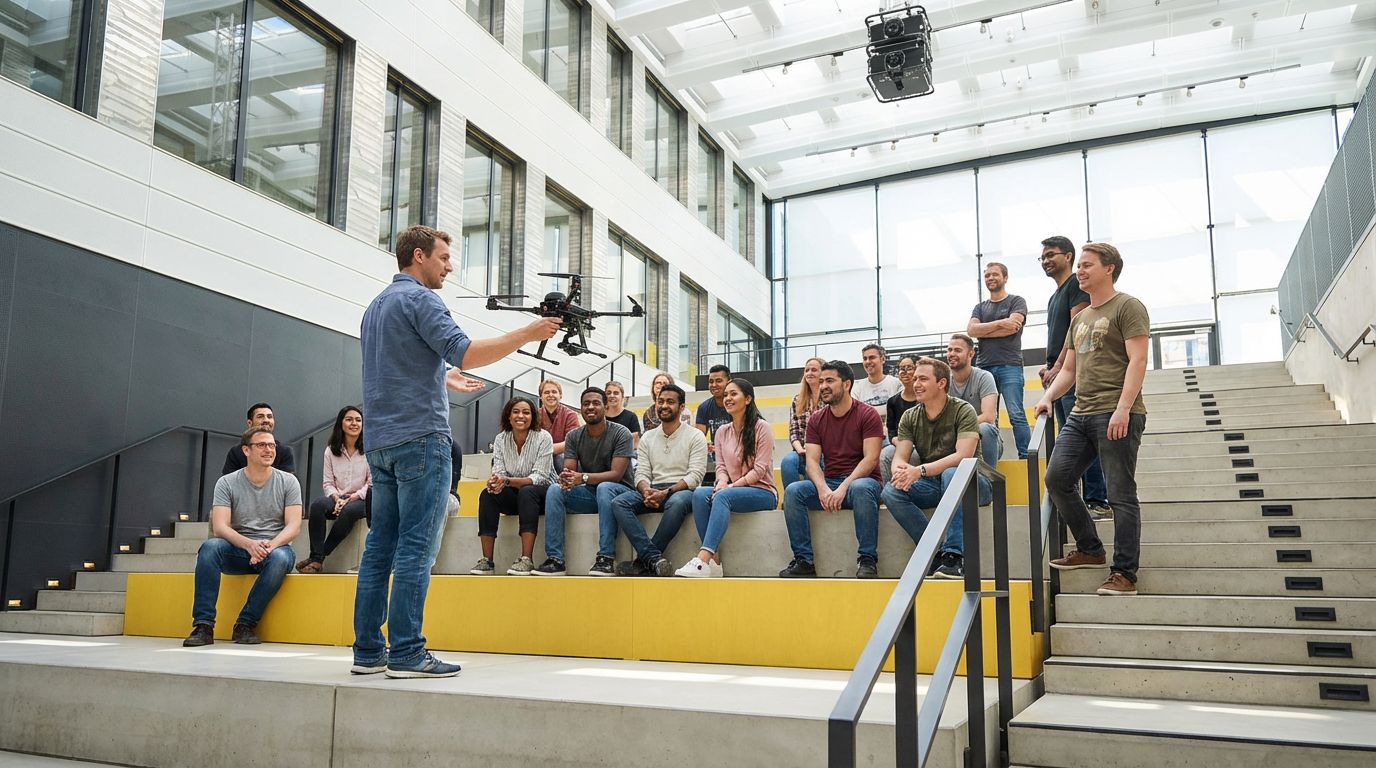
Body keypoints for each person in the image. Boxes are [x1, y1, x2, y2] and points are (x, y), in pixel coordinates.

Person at [354, 224, 560, 679]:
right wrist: (527, 333)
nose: (450, 266)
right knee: (414, 548)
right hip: (421, 438)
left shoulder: (375, 307)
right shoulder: (422, 299)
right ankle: (407, 653)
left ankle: (368, 652)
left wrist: (437, 377)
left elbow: (397, 363)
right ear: (420, 256)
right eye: (445, 257)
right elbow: (464, 352)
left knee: (379, 548)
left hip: (381, 442)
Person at [1035, 243, 1149, 597]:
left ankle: (1125, 574)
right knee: (1056, 479)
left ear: (1109, 268)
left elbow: (1139, 360)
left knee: (1120, 495)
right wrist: (1047, 397)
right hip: (1081, 414)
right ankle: (1091, 549)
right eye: (1079, 265)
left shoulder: (1128, 306)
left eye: (1087, 265)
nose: (1080, 271)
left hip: (1116, 413)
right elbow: (1069, 370)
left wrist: (1123, 408)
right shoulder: (1080, 319)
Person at [184, 426, 302, 647]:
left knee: (281, 558)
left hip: (273, 549)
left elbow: (294, 526)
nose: (269, 450)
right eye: (262, 445)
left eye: (272, 445)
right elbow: (220, 527)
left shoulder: (288, 482)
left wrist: (269, 546)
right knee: (210, 547)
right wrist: (249, 545)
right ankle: (203, 626)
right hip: (238, 550)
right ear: (246, 450)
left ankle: (245, 624)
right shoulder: (227, 482)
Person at [881, 357, 992, 580]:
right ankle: (934, 551)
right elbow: (899, 456)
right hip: (936, 484)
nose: (916, 384)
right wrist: (901, 471)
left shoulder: (963, 410)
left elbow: (964, 456)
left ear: (941, 383)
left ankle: (955, 556)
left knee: (954, 473)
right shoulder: (910, 416)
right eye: (914, 379)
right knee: (890, 491)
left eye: (923, 378)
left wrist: (919, 471)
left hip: (973, 483)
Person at [779, 360, 884, 579]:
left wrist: (843, 488)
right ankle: (804, 560)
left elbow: (871, 458)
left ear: (846, 384)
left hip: (861, 483)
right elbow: (812, 462)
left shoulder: (867, 414)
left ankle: (867, 559)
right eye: (822, 381)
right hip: (832, 483)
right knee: (793, 491)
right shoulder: (816, 420)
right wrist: (824, 489)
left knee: (862, 487)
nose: (823, 385)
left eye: (830, 381)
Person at [1038, 236, 1112, 520]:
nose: (1046, 261)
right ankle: (1079, 499)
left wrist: (1058, 366)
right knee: (1067, 439)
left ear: (1067, 256)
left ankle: (1096, 498)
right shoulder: (1054, 295)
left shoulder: (1075, 287)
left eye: (1051, 255)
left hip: (1073, 373)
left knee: (1080, 437)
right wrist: (1049, 366)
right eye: (1042, 257)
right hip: (1057, 373)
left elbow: (1078, 333)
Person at [534, 387, 636, 576]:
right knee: (555, 490)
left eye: (596, 403)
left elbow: (616, 474)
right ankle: (556, 560)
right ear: (580, 408)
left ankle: (606, 559)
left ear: (605, 406)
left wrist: (583, 478)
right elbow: (570, 470)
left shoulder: (621, 433)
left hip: (621, 492)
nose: (590, 407)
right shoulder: (574, 436)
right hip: (590, 494)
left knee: (605, 487)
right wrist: (566, 479)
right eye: (586, 404)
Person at [608, 383, 707, 576]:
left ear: (681, 407)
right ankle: (653, 558)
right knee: (619, 502)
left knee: (677, 502)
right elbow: (642, 473)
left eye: (670, 402)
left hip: (682, 491)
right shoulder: (648, 437)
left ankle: (641, 561)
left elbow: (695, 476)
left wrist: (667, 492)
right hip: (654, 489)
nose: (664, 406)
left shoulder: (695, 436)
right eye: (660, 401)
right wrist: (646, 490)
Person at [681, 379, 776, 577]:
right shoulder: (722, 432)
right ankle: (714, 561)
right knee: (699, 494)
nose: (728, 399)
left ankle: (702, 559)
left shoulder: (762, 427)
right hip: (732, 489)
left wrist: (730, 487)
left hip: (763, 492)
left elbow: (759, 470)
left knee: (723, 497)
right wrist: (722, 483)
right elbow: (721, 467)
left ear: (748, 399)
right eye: (726, 395)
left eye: (734, 394)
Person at [471, 396, 553, 576]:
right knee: (487, 494)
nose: (520, 416)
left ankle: (526, 559)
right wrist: (495, 482)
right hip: (516, 495)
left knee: (527, 491)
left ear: (533, 417)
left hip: (543, 496)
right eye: (515, 412)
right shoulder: (501, 439)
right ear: (508, 416)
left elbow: (540, 477)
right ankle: (487, 561)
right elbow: (499, 471)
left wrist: (507, 481)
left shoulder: (543, 437)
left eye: (526, 412)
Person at [296, 406, 370, 574]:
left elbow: (371, 483)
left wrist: (351, 499)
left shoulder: (369, 450)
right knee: (317, 505)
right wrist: (337, 499)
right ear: (341, 424)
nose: (354, 423)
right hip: (338, 497)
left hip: (363, 499)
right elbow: (328, 482)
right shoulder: (331, 451)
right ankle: (316, 558)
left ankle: (317, 558)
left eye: (358, 420)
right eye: (349, 419)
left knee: (349, 511)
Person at [968, 263, 1030, 459]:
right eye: (987, 275)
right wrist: (1002, 323)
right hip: (984, 367)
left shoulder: (1016, 301)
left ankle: (1026, 457)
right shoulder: (980, 307)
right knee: (988, 420)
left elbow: (1012, 328)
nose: (990, 278)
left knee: (1016, 414)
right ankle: (990, 458)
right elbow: (971, 331)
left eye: (995, 274)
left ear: (1005, 278)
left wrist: (985, 330)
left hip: (1009, 365)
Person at [945, 334, 1004, 469]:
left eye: (957, 350)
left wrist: (958, 428)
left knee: (985, 427)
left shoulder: (984, 377)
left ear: (971, 354)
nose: (952, 354)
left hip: (984, 440)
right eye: (949, 350)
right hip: (955, 441)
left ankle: (990, 481)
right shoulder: (944, 381)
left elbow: (988, 417)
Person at [781, 357, 825, 485]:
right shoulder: (798, 400)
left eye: (814, 370)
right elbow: (793, 431)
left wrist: (812, 450)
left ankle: (811, 501)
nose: (809, 373)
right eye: (807, 370)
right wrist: (800, 449)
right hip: (801, 450)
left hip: (823, 451)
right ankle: (791, 499)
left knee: (811, 465)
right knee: (787, 462)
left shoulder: (828, 398)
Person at [878, 356, 921, 485]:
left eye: (909, 368)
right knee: (885, 454)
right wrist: (895, 440)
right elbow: (891, 430)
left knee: (914, 456)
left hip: (922, 443)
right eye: (901, 369)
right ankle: (887, 492)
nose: (904, 372)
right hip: (901, 442)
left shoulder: (924, 398)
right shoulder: (893, 401)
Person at [221, 403, 296, 475]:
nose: (266, 420)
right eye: (260, 416)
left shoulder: (284, 451)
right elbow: (229, 482)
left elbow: (288, 483)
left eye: (269, 416)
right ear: (250, 423)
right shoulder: (236, 452)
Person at [538, 379, 581, 474]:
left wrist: (545, 450)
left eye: (554, 392)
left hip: (563, 458)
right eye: (546, 392)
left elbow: (572, 443)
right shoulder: (535, 415)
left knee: (559, 458)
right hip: (540, 458)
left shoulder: (570, 415)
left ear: (560, 395)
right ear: (541, 396)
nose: (550, 395)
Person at [694, 365, 732, 471]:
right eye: (711, 381)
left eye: (718, 381)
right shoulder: (704, 407)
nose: (714, 385)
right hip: (716, 460)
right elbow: (698, 437)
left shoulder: (737, 405)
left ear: (729, 382)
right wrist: (705, 445)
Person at [851, 344, 902, 408]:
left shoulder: (896, 384)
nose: (868, 362)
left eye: (872, 357)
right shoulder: (857, 388)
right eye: (865, 358)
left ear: (883, 359)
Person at [603, 381, 642, 448]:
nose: (612, 396)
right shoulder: (600, 417)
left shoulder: (631, 417)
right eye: (608, 393)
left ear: (622, 397)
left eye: (616, 393)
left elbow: (635, 442)